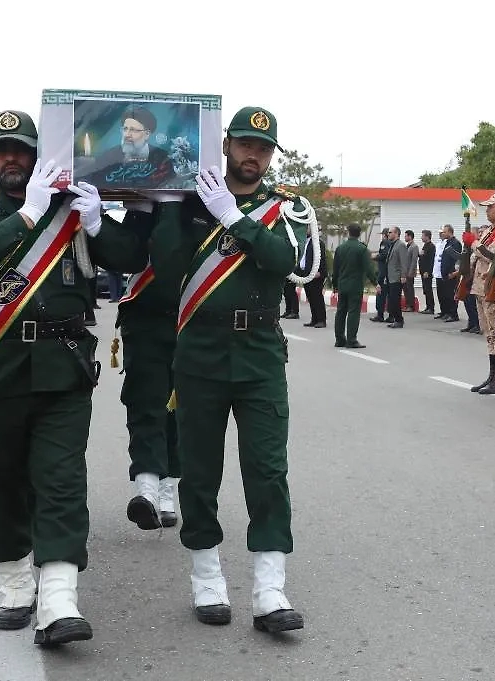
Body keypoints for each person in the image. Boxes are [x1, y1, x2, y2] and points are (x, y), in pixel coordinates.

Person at [0, 109, 148, 646]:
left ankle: (59, 597)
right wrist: (27, 215)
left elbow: (129, 258)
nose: (12, 158)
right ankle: (13, 580)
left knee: (60, 479)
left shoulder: (69, 206)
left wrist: (100, 221)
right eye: (2, 150)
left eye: (22, 149)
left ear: (39, 154)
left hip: (62, 362)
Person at [165, 105, 307, 633]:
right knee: (200, 472)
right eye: (245, 144)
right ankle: (207, 581)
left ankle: (270, 591)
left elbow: (285, 261)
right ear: (226, 145)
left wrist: (233, 216)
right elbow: (160, 257)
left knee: (268, 473)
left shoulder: (286, 210)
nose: (254, 155)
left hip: (260, 354)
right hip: (200, 352)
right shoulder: (190, 203)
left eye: (264, 148)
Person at [116, 196, 186, 531]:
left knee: (180, 407)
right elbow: (125, 254)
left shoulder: (203, 202)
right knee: (144, 400)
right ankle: (146, 487)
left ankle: (169, 486)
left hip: (191, 317)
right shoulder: (142, 203)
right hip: (145, 316)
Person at [468, 194, 495, 394]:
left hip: (493, 287)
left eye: (490, 207)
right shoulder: (489, 231)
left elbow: (493, 255)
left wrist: (474, 244)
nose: (486, 210)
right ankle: (493, 376)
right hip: (480, 287)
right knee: (489, 334)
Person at [82, 105, 175, 189]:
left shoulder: (162, 159)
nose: (127, 135)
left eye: (133, 130)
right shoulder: (107, 158)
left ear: (147, 134)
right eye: (125, 129)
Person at [332, 223, 377, 348]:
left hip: (342, 284)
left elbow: (336, 269)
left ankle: (339, 339)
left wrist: (335, 284)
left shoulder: (340, 248)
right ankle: (351, 340)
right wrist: (376, 283)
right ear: (359, 233)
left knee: (340, 312)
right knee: (353, 312)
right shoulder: (362, 249)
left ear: (348, 232)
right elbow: (368, 269)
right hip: (355, 285)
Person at [299, 226, 327, 328]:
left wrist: (320, 272)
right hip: (306, 274)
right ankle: (314, 319)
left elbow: (322, 259)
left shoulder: (318, 243)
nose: (305, 230)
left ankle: (321, 320)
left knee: (317, 297)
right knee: (310, 297)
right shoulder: (305, 242)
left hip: (316, 274)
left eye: (307, 228)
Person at [382, 226, 406, 328]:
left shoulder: (400, 245)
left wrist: (403, 275)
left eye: (390, 232)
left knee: (395, 300)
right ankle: (396, 319)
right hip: (390, 276)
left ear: (396, 233)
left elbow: (404, 261)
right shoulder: (393, 245)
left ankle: (399, 320)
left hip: (396, 277)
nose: (388, 234)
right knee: (392, 300)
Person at [437, 225, 461, 322]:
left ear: (450, 232)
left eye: (445, 232)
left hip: (451, 274)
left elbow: (457, 260)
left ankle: (453, 314)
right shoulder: (448, 242)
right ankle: (447, 312)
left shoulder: (456, 243)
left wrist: (454, 272)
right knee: (446, 295)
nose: (443, 233)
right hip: (445, 273)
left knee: (452, 295)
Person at [370, 227, 391, 322]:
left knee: (380, 293)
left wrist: (375, 257)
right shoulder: (392, 243)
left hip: (383, 271)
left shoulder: (385, 243)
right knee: (389, 295)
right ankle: (391, 315)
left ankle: (380, 314)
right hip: (389, 272)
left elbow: (383, 255)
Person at [418, 229, 437, 315]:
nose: (421, 238)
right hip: (423, 271)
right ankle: (427, 306)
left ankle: (431, 307)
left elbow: (431, 260)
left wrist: (428, 271)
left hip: (427, 272)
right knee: (425, 289)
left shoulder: (431, 246)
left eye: (423, 236)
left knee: (428, 289)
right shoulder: (425, 246)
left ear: (427, 236)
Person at [402, 229, 419, 311]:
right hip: (404, 271)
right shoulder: (406, 246)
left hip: (410, 271)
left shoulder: (414, 246)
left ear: (410, 236)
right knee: (405, 288)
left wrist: (411, 272)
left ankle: (411, 306)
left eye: (406, 236)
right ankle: (407, 304)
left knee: (410, 288)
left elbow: (414, 260)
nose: (404, 237)